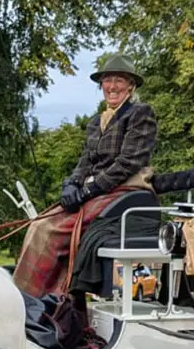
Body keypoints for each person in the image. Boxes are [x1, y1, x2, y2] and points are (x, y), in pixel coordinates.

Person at [14, 54, 159, 299]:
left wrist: (88, 191)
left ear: (131, 85)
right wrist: (71, 184)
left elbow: (128, 163)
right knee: (39, 222)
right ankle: (51, 298)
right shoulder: (95, 123)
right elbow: (85, 161)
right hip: (100, 190)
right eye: (107, 80)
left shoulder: (140, 114)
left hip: (126, 190)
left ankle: (25, 300)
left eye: (119, 80)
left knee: (48, 230)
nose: (112, 87)